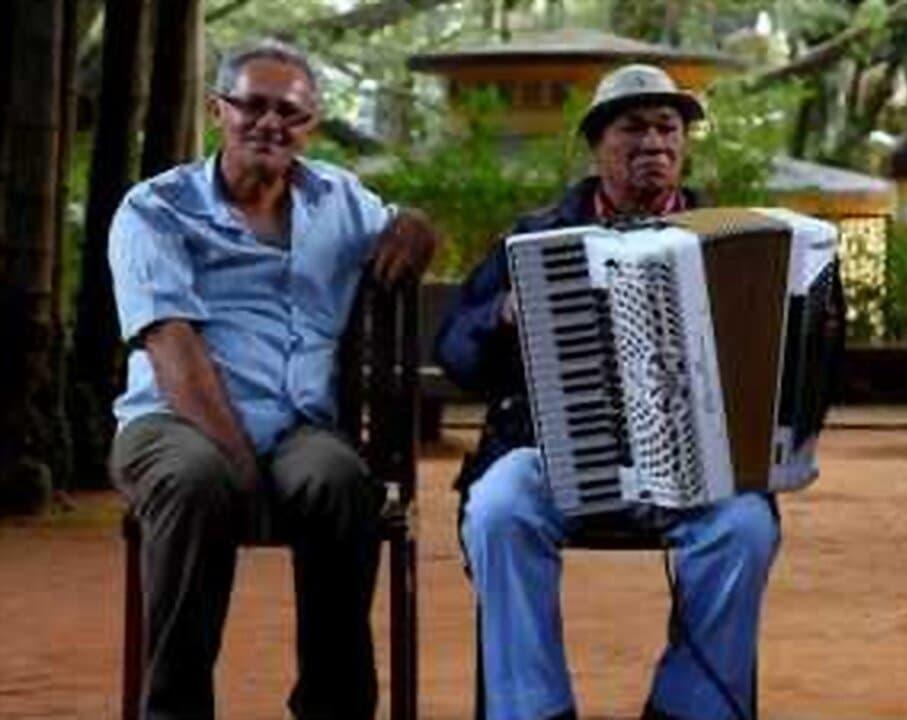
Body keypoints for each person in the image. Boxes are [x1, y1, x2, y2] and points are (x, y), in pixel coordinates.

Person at [436, 64, 783, 720]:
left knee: (744, 528)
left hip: (693, 465)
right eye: (633, 127)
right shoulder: (537, 234)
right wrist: (499, 316)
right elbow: (453, 351)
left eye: (667, 127)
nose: (653, 142)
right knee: (497, 509)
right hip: (554, 453)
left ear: (684, 144)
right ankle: (533, 710)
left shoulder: (734, 238)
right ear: (597, 145)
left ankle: (687, 709)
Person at [108, 40, 439, 720]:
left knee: (340, 481)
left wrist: (416, 226)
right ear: (216, 110)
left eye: (288, 111)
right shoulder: (156, 209)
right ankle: (174, 711)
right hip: (174, 421)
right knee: (197, 482)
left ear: (309, 123)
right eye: (251, 105)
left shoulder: (337, 199)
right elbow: (172, 345)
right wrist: (238, 463)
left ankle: (334, 706)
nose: (269, 123)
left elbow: (404, 225)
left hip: (298, 429)